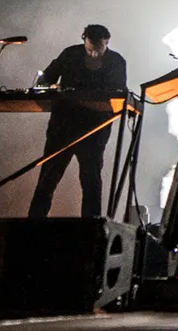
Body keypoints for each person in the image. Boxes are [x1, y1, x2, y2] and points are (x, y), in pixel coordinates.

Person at [28, 24, 128, 218]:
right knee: (48, 178)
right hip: (62, 127)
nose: (93, 54)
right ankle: (32, 226)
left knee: (91, 181)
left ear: (107, 42)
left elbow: (118, 95)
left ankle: (91, 231)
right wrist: (50, 88)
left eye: (97, 50)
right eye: (89, 49)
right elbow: (46, 78)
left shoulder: (116, 62)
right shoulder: (70, 54)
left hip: (94, 130)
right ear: (84, 40)